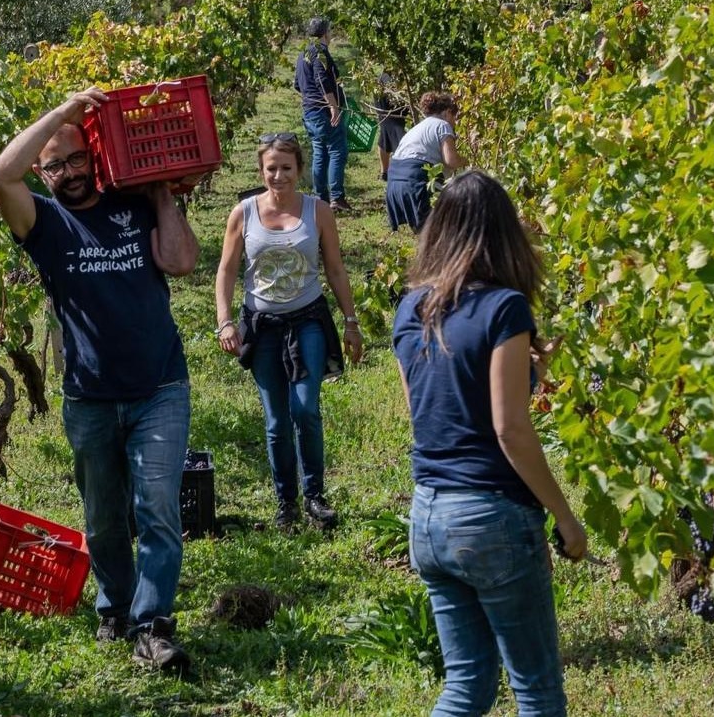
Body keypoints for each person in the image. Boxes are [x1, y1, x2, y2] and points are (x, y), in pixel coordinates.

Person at [0, 87, 199, 674]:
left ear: (95, 156)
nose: (70, 173)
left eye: (78, 158)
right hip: (89, 395)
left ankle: (152, 625)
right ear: (42, 173)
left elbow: (182, 261)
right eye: (55, 165)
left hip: (160, 386)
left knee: (157, 508)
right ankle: (116, 606)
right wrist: (62, 114)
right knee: (104, 518)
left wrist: (160, 195)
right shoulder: (43, 223)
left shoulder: (131, 203)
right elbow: (0, 176)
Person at [392, 171, 587, 717]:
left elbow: (432, 408)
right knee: (538, 692)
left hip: (428, 516)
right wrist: (565, 517)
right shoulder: (505, 308)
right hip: (491, 518)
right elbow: (509, 429)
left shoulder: (411, 308)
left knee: (467, 686)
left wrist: (529, 372)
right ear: (502, 234)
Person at [214, 134, 364, 530]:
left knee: (305, 409)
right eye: (271, 168)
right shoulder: (243, 213)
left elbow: (335, 269)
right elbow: (226, 270)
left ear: (299, 169)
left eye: (286, 168)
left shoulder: (318, 211)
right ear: (260, 171)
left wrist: (351, 321)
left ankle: (315, 495)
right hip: (262, 326)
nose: (278, 175)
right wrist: (225, 321)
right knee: (276, 421)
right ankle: (287, 503)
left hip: (307, 320)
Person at [294, 16, 352, 212]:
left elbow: (297, 84)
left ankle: (320, 198)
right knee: (337, 150)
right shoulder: (319, 52)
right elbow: (321, 80)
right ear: (326, 33)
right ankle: (337, 197)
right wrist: (333, 106)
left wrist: (310, 98)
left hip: (310, 111)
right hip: (323, 111)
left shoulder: (303, 53)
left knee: (320, 152)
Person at [385, 91, 465, 231]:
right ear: (447, 112)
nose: (455, 123)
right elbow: (451, 161)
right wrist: (467, 161)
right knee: (444, 227)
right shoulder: (443, 125)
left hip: (394, 183)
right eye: (455, 117)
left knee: (426, 233)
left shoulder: (417, 128)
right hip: (415, 181)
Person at [373, 75, 408, 181]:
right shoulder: (388, 78)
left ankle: (385, 172)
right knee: (395, 135)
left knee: (385, 135)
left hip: (389, 96)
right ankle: (397, 173)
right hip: (390, 101)